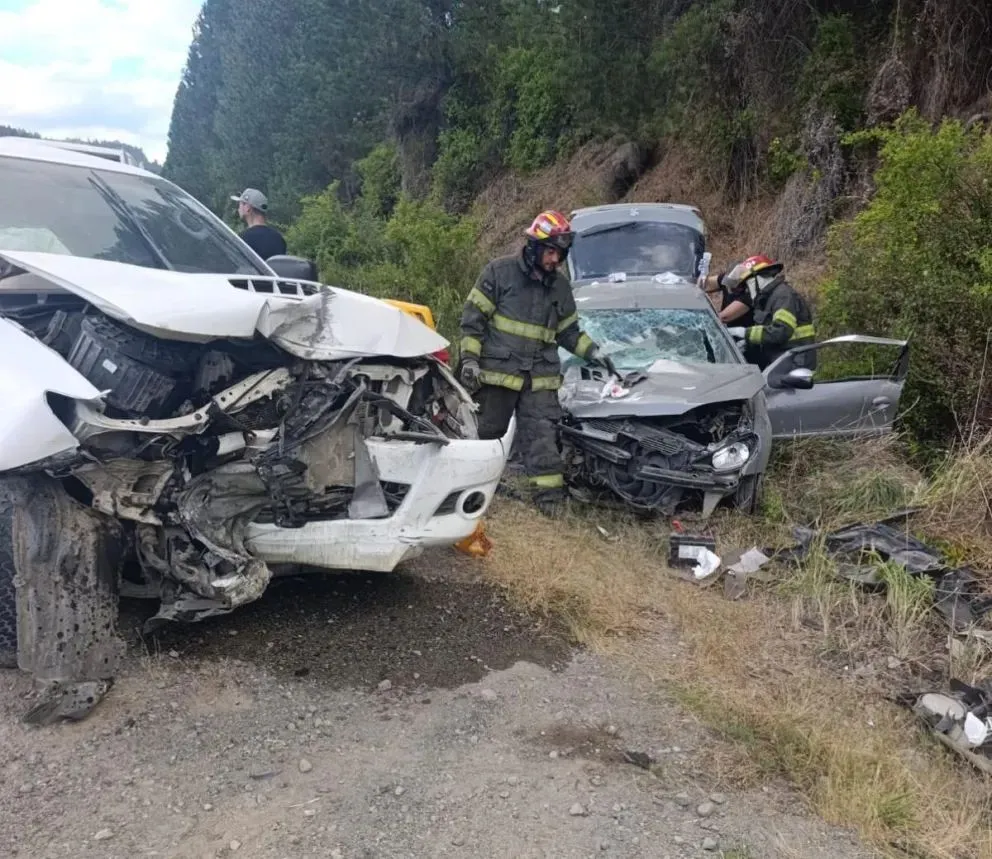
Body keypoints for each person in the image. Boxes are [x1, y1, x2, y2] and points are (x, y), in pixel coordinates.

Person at [458, 209, 617, 516]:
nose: (555, 260)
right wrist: (469, 361)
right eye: (550, 252)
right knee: (485, 436)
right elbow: (472, 321)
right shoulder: (499, 272)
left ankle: (550, 503)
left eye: (560, 254)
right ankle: (467, 492)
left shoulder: (560, 288)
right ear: (534, 246)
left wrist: (595, 353)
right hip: (497, 375)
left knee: (543, 439)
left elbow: (569, 333)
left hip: (539, 380)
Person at [709, 255, 816, 370]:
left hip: (796, 363)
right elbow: (767, 334)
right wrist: (748, 343)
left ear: (757, 279)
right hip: (782, 360)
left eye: (747, 285)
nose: (747, 290)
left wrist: (744, 333)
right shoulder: (768, 299)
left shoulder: (783, 296)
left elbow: (781, 331)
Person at [230, 188, 287, 260]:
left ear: (247, 208)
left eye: (240, 204)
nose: (238, 209)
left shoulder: (243, 239)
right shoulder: (279, 239)